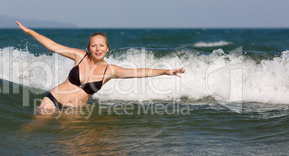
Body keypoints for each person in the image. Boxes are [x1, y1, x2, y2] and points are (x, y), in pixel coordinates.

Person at [16, 21, 186, 115]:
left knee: (71, 145)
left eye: (101, 46)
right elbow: (53, 46)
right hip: (53, 99)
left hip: (73, 110)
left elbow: (138, 72)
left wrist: (165, 71)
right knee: (33, 130)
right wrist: (30, 32)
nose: (97, 49)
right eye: (94, 46)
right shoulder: (79, 55)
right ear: (88, 48)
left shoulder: (109, 71)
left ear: (107, 48)